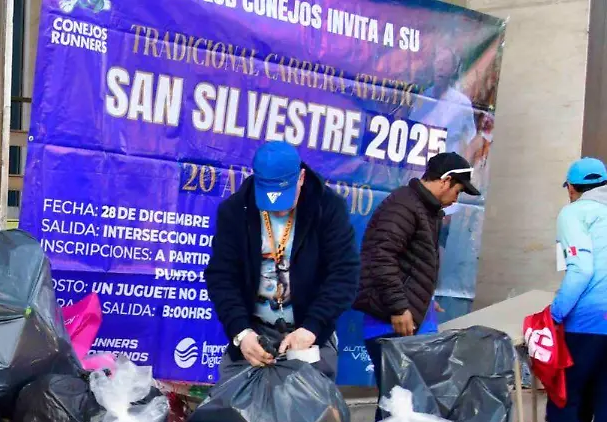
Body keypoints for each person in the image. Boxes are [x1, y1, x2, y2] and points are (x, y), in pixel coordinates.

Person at [205, 141, 359, 381]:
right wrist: (241, 332)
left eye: (285, 198)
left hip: (309, 335)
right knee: (235, 403)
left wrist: (312, 327)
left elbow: (344, 274)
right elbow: (222, 276)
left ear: (301, 178)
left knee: (309, 403)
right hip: (254, 334)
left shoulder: (327, 208)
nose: (278, 210)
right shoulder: (235, 211)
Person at [355, 153, 481, 391]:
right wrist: (399, 307)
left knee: (414, 400)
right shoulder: (403, 206)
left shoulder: (425, 208)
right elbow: (380, 257)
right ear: (446, 180)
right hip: (391, 324)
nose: (456, 199)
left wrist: (423, 296)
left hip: (409, 319)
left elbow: (411, 263)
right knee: (399, 402)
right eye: (458, 191)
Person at [537, 157, 607, 422]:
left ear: (572, 187)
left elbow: (580, 269)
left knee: (564, 394)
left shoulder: (575, 213)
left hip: (587, 320)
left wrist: (556, 312)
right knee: (604, 401)